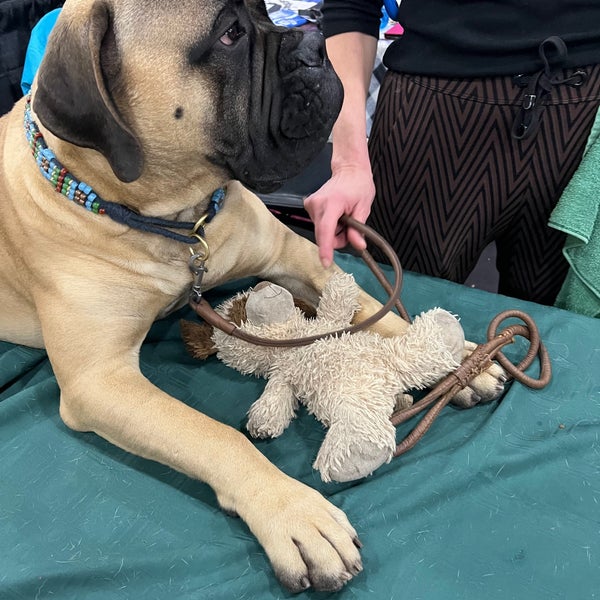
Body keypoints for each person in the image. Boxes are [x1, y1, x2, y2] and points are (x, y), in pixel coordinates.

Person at [304, 0, 600, 305]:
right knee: (397, 316)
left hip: (585, 119)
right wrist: (350, 163)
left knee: (561, 329)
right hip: (436, 109)